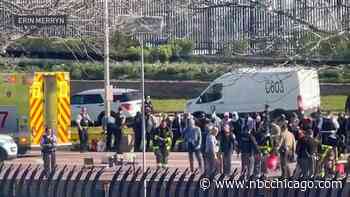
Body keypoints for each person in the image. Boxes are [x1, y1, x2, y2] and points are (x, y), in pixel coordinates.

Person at [238, 114, 257, 178]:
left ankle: (247, 177)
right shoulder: (246, 136)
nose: (245, 131)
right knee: (245, 166)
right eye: (244, 130)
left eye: (245, 130)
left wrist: (252, 153)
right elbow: (240, 144)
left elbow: (254, 145)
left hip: (249, 153)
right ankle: (244, 176)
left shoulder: (249, 136)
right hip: (245, 153)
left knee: (248, 166)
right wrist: (239, 150)